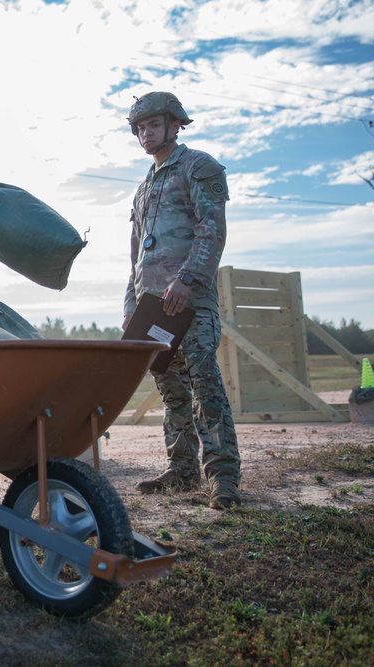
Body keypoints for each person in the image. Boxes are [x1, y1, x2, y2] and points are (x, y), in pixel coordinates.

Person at [122, 91, 241, 510]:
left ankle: (224, 478)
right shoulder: (143, 189)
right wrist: (130, 309)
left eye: (153, 125)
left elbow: (213, 228)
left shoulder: (198, 166)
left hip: (191, 302)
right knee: (171, 390)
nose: (145, 134)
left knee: (204, 385)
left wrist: (187, 279)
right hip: (153, 308)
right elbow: (137, 254)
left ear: (176, 125)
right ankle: (183, 470)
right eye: (139, 128)